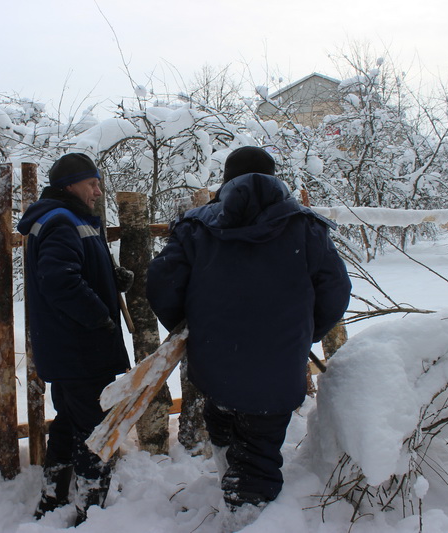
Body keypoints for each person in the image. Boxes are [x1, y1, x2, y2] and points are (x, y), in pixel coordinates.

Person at [146, 146, 351, 531]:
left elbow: (161, 285)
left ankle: (237, 499)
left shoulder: (197, 227)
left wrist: (196, 329)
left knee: (222, 419)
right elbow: (336, 290)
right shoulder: (305, 227)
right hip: (278, 368)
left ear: (226, 180)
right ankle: (245, 507)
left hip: (215, 362)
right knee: (258, 451)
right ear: (275, 178)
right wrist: (304, 335)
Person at [16, 152, 132, 525]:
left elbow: (75, 269)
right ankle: (90, 511)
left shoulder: (67, 217)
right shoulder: (62, 221)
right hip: (81, 349)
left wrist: (110, 279)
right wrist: (98, 315)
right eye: (92, 184)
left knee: (68, 422)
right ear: (70, 185)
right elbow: (59, 280)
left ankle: (52, 498)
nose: (98, 191)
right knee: (96, 429)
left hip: (68, 348)